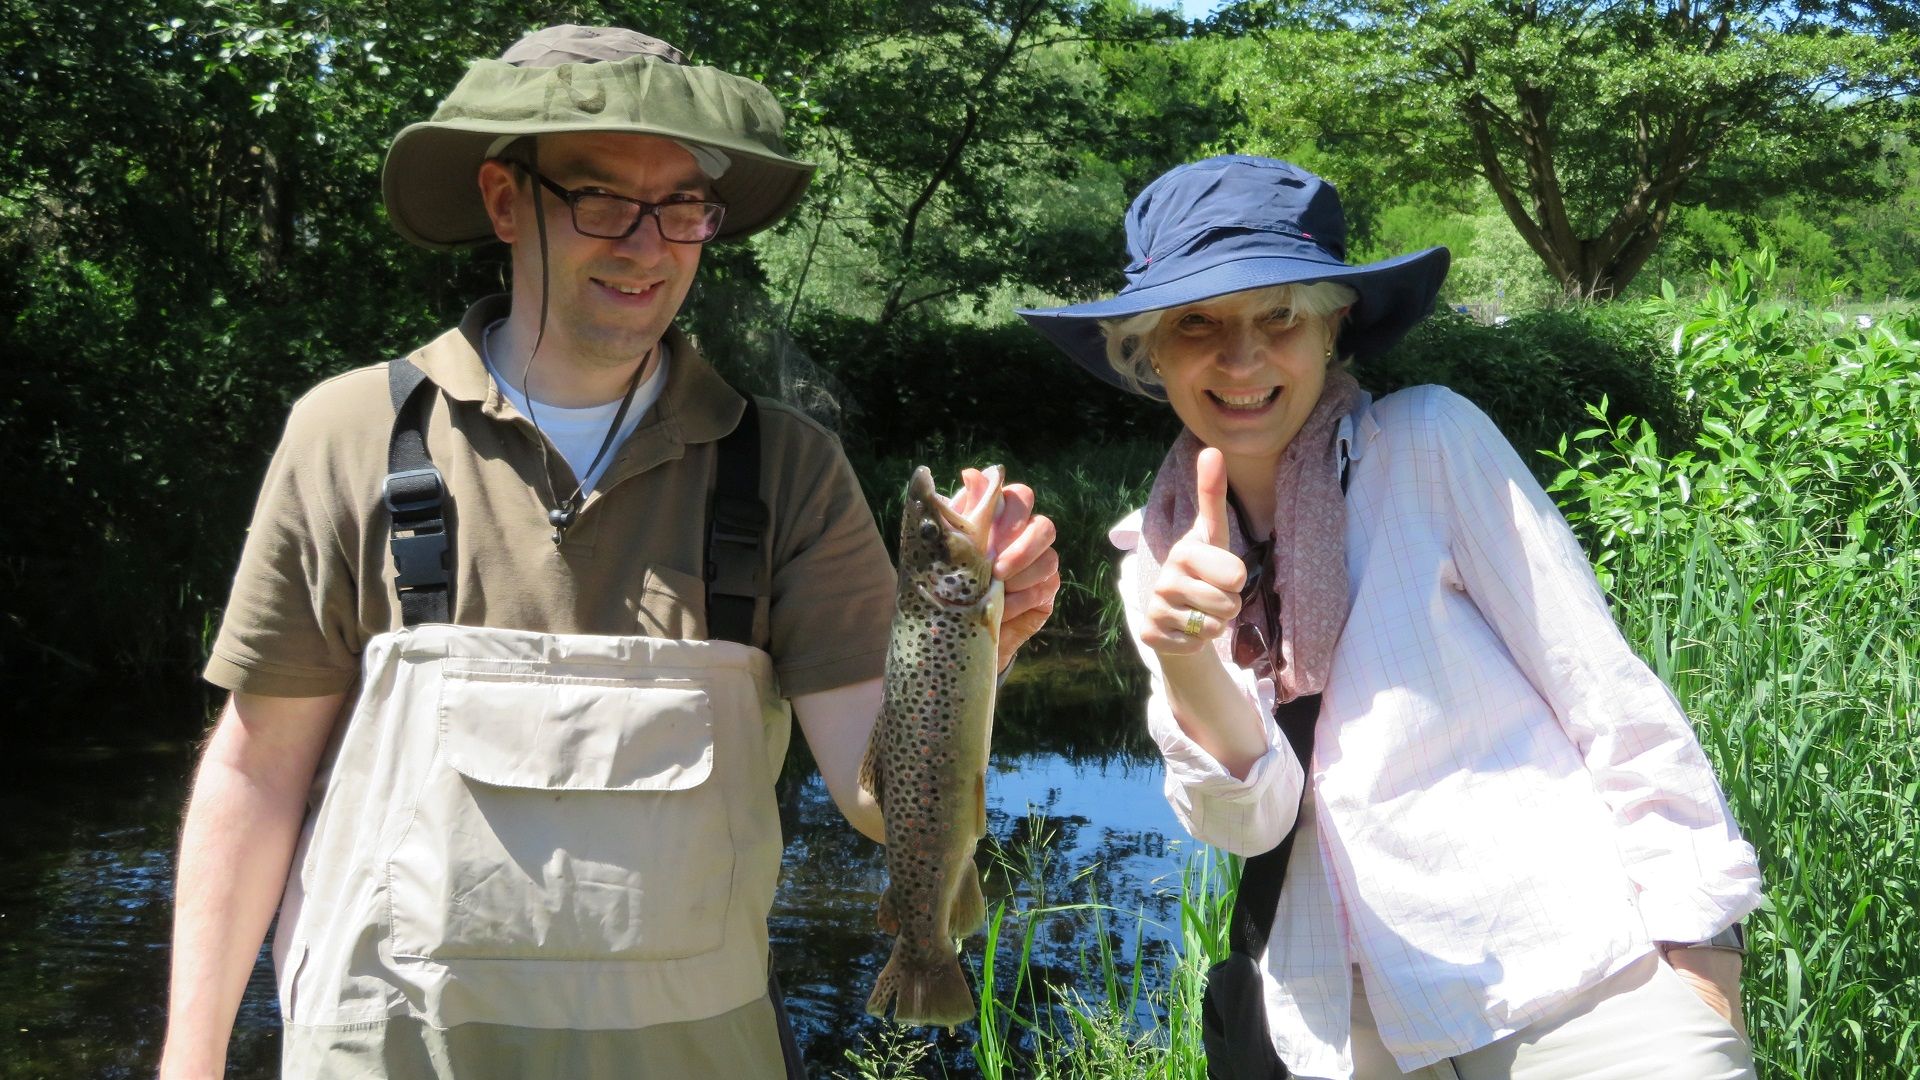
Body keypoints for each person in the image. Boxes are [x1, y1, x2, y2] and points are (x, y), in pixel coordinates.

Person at [158, 25, 1060, 1080]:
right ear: (505, 201)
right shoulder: (353, 432)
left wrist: (968, 659)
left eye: (682, 207)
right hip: (383, 1048)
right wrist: (191, 1056)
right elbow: (258, 770)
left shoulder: (783, 468)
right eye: (600, 200)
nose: (647, 244)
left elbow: (877, 798)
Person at [1019, 156, 1760, 1078]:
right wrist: (1188, 658)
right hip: (1342, 1026)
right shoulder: (1155, 563)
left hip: (1579, 987)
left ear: (1335, 328)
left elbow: (1606, 695)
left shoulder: (1430, 442)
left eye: (1279, 317)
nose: (1241, 358)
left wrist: (1701, 956)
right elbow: (1248, 823)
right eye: (1195, 323)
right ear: (1148, 351)